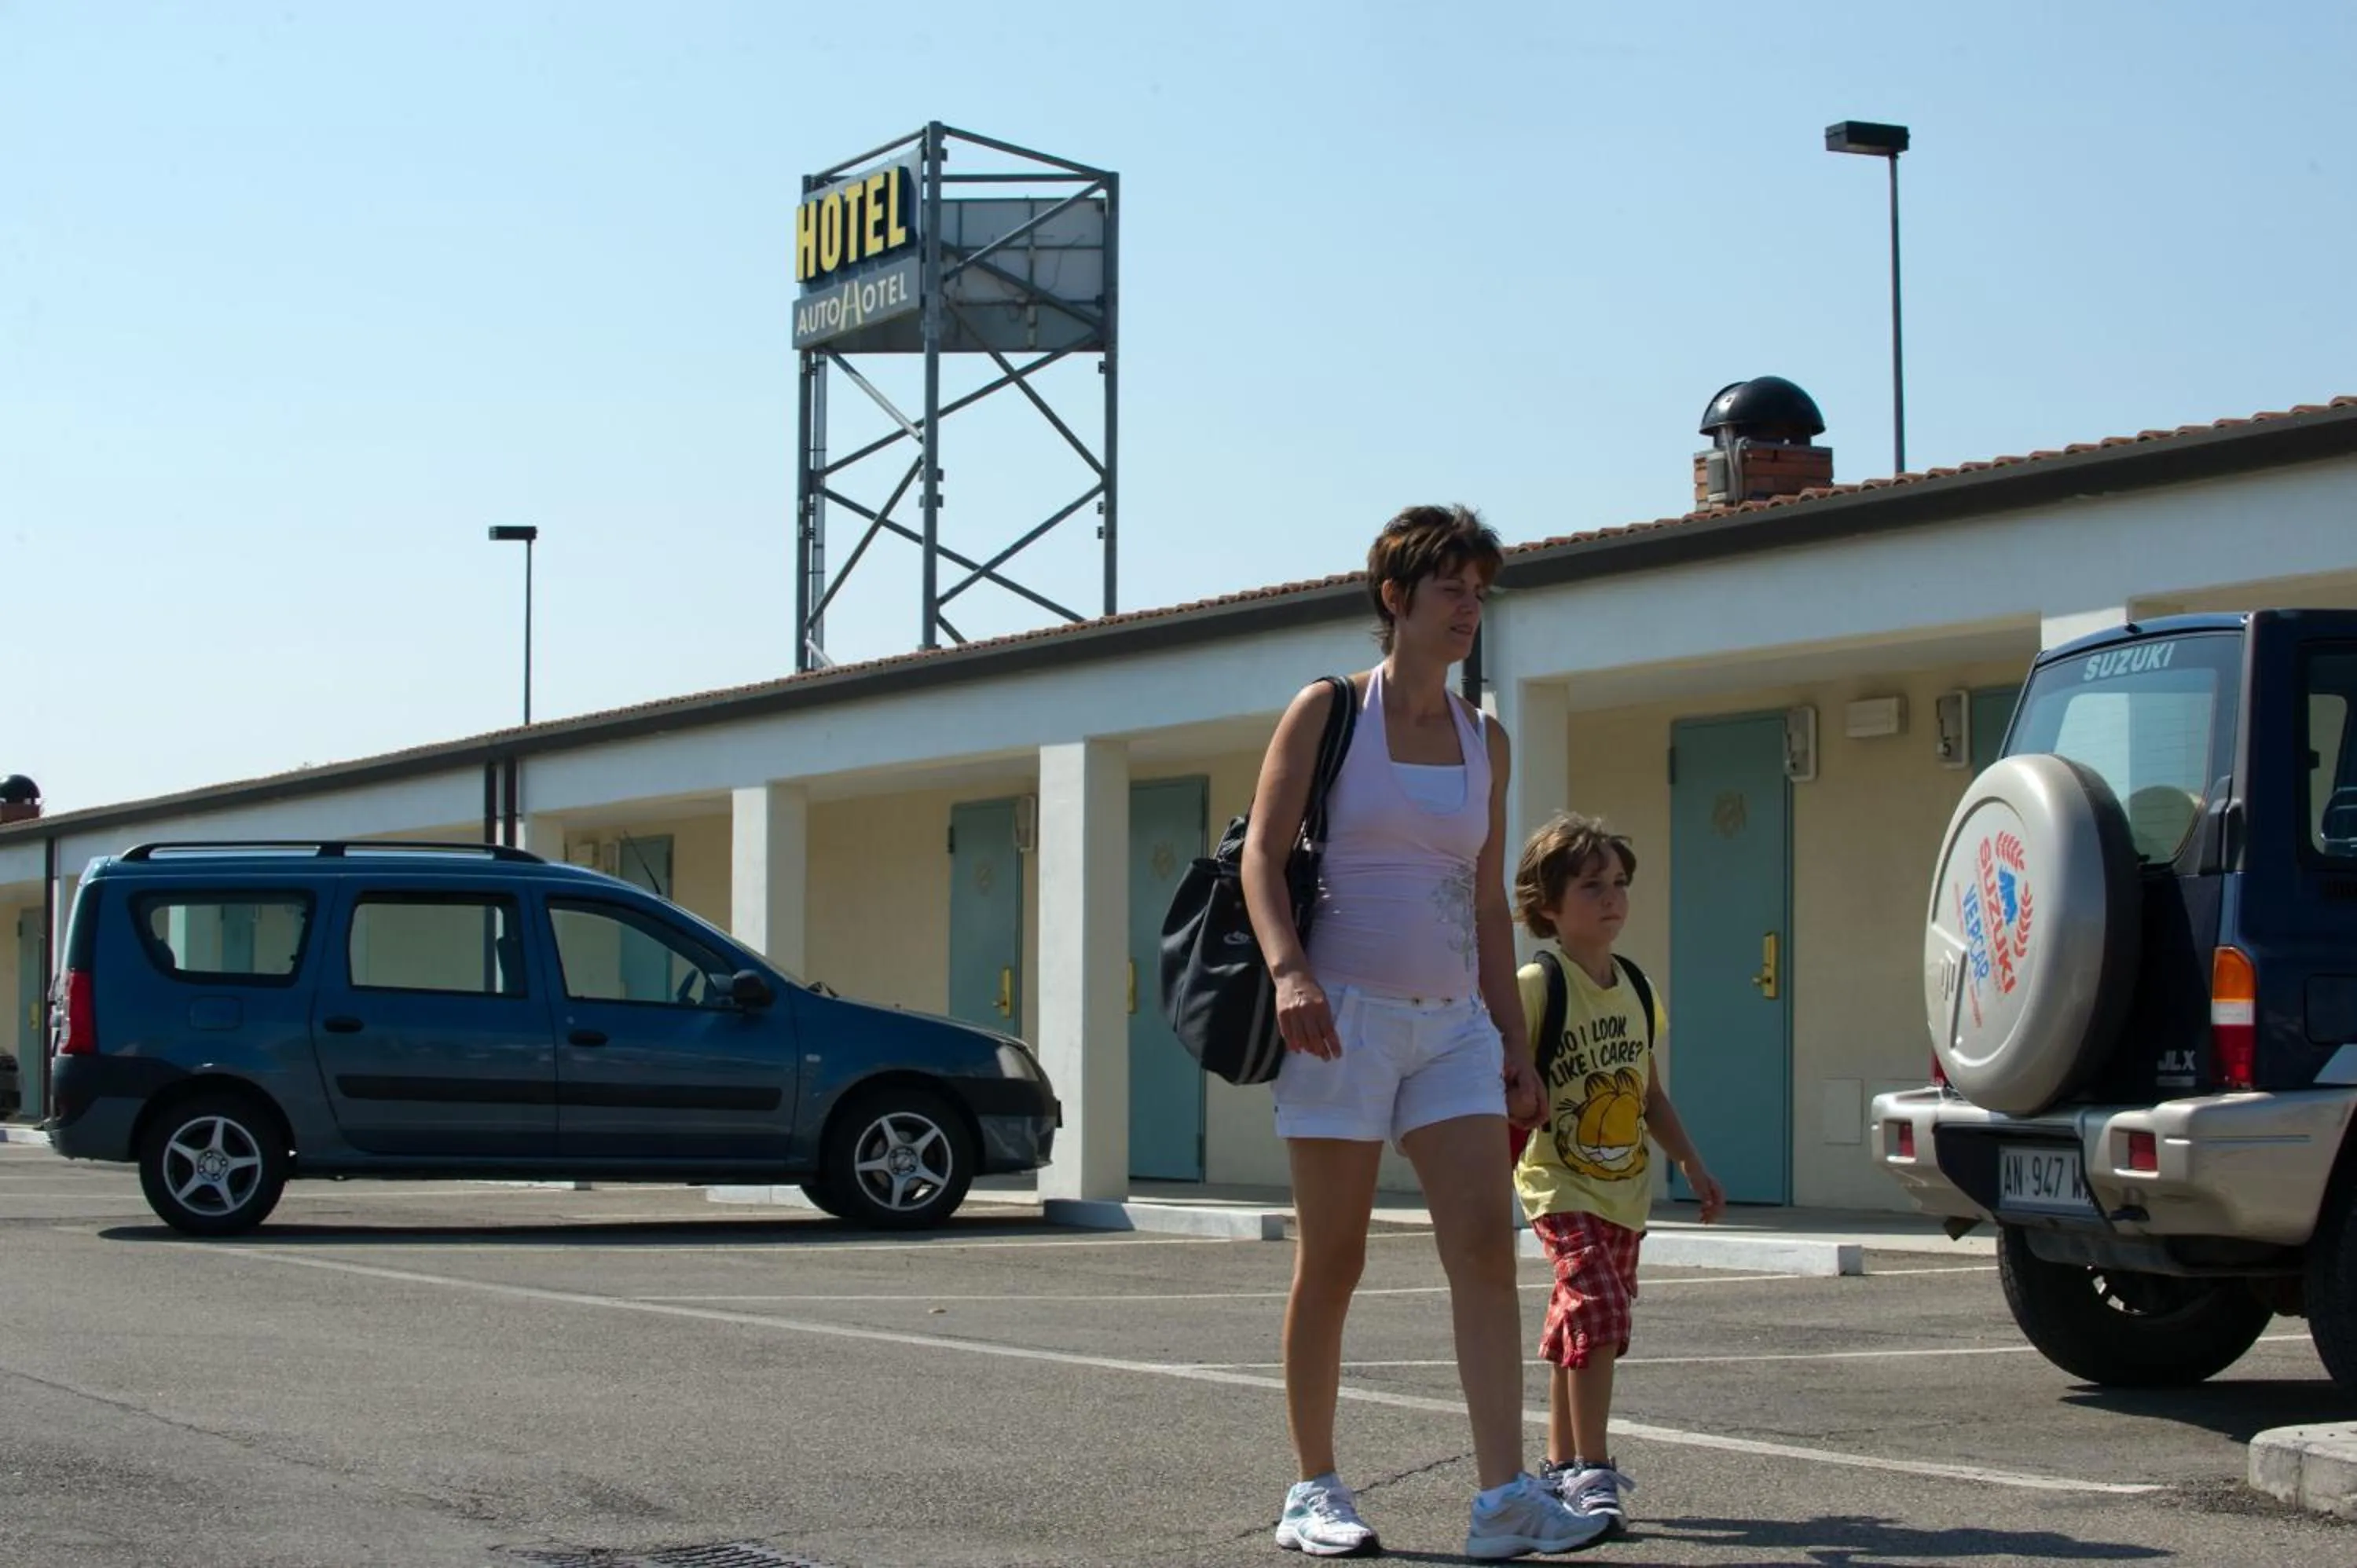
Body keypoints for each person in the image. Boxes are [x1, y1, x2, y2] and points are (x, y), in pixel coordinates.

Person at [1242, 504, 1604, 1560]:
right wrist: (1289, 975)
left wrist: (1513, 1043)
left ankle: (1502, 1500)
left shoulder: (1483, 736)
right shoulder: (1327, 712)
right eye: (1450, 588)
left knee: (1487, 1250)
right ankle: (1314, 1486)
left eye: (1479, 592)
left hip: (1451, 1026)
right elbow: (1263, 859)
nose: (1468, 610)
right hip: (1338, 1021)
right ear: (1394, 598)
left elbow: (1486, 903)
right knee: (1336, 1259)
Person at [1509, 813, 1726, 1538]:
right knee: (1598, 1306)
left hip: (1623, 1188)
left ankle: (1559, 1461)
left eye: (1620, 884)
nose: (1612, 899)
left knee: (1581, 1318)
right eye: (1592, 885)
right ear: (1547, 904)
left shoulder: (1635, 986)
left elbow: (1649, 1092)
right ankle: (1594, 1471)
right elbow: (1499, 1070)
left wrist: (1690, 1161)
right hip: (1557, 1181)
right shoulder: (1538, 985)